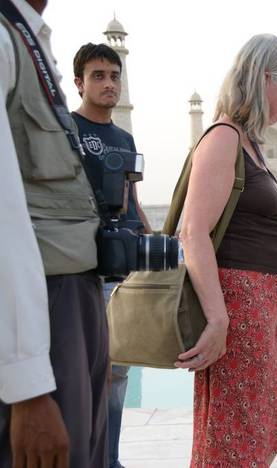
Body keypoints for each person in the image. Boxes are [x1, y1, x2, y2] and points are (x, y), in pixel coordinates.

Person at [177, 34, 277, 466]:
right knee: (233, 440)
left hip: (256, 313)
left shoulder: (249, 143)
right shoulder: (223, 138)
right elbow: (193, 232)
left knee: (250, 435)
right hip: (237, 315)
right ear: (264, 78)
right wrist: (218, 320)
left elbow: (243, 228)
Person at [1, 1, 109, 467]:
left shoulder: (26, 35)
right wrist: (28, 387)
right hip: (43, 308)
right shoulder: (5, 38)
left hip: (69, 297)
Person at [71, 42, 152, 468]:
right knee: (87, 373)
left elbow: (130, 197)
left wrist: (153, 239)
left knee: (117, 372)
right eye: (98, 76)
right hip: (82, 266)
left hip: (122, 268)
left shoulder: (123, 136)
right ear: (79, 82)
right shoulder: (67, 130)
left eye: (114, 76)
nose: (108, 84)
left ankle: (110, 458)